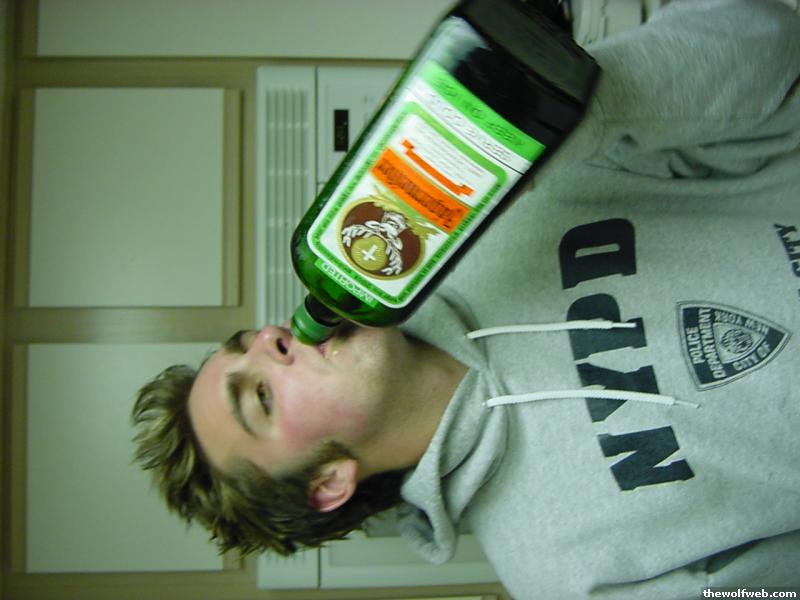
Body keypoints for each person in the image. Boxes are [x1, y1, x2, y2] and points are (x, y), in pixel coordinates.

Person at [132, 0, 800, 597]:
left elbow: (771, 44)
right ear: (329, 481)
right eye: (260, 397)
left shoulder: (471, 220)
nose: (272, 338)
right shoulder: (571, 577)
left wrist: (585, 113)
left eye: (248, 343)